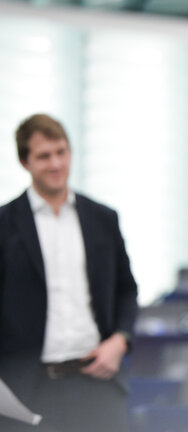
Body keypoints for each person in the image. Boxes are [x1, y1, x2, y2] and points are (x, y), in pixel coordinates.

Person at [0, 113, 138, 432]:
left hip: (96, 383)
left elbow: (126, 290)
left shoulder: (103, 219)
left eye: (61, 152)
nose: (55, 164)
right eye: (43, 156)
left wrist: (120, 340)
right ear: (25, 162)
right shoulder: (5, 226)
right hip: (25, 390)